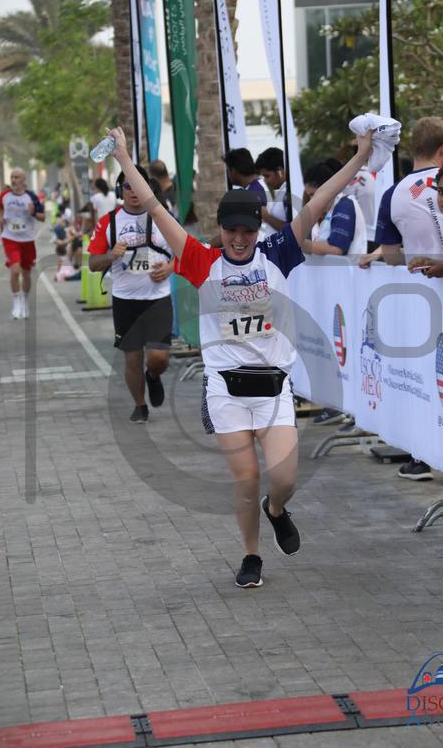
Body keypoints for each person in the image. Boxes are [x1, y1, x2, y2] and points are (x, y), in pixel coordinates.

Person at [106, 123, 372, 588]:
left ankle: (277, 509)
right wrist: (124, 157)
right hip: (226, 391)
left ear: (256, 228)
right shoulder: (201, 261)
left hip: (273, 388)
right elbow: (153, 206)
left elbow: (319, 203)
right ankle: (251, 556)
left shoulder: (277, 252)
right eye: (231, 230)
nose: (240, 238)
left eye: (247, 230)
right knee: (247, 478)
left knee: (284, 479)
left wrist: (361, 156)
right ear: (221, 229)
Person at [362, 116, 443, 483]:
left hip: (421, 296)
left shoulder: (393, 193)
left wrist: (412, 257)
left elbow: (390, 255)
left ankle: (423, 457)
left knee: (425, 377)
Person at [88, 166, 174, 423]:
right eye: (128, 186)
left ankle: (154, 375)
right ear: (120, 190)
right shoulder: (109, 222)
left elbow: (185, 252)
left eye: (138, 185)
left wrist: (170, 268)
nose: (134, 191)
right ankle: (140, 405)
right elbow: (93, 264)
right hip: (125, 302)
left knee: (158, 358)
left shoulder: (162, 217)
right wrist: (111, 255)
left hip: (157, 299)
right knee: (133, 357)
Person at [302, 161, 367, 425]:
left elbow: (337, 248)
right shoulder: (330, 211)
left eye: (313, 194)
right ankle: (338, 403)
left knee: (346, 350)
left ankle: (350, 407)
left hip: (348, 291)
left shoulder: (344, 206)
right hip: (333, 294)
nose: (311, 201)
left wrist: (301, 244)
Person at [0, 167, 45, 319]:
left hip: (27, 240)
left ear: (24, 180)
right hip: (10, 238)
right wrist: (0, 218)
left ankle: (24, 301)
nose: (13, 179)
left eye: (16, 177)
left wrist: (33, 213)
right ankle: (16, 301)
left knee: (26, 273)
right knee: (15, 270)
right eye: (12, 177)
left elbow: (42, 217)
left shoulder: (31, 197)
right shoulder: (4, 195)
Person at [254, 147, 289, 239]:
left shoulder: (288, 192)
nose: (265, 181)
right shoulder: (282, 191)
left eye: (267, 176)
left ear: (280, 171)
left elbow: (293, 230)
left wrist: (266, 216)